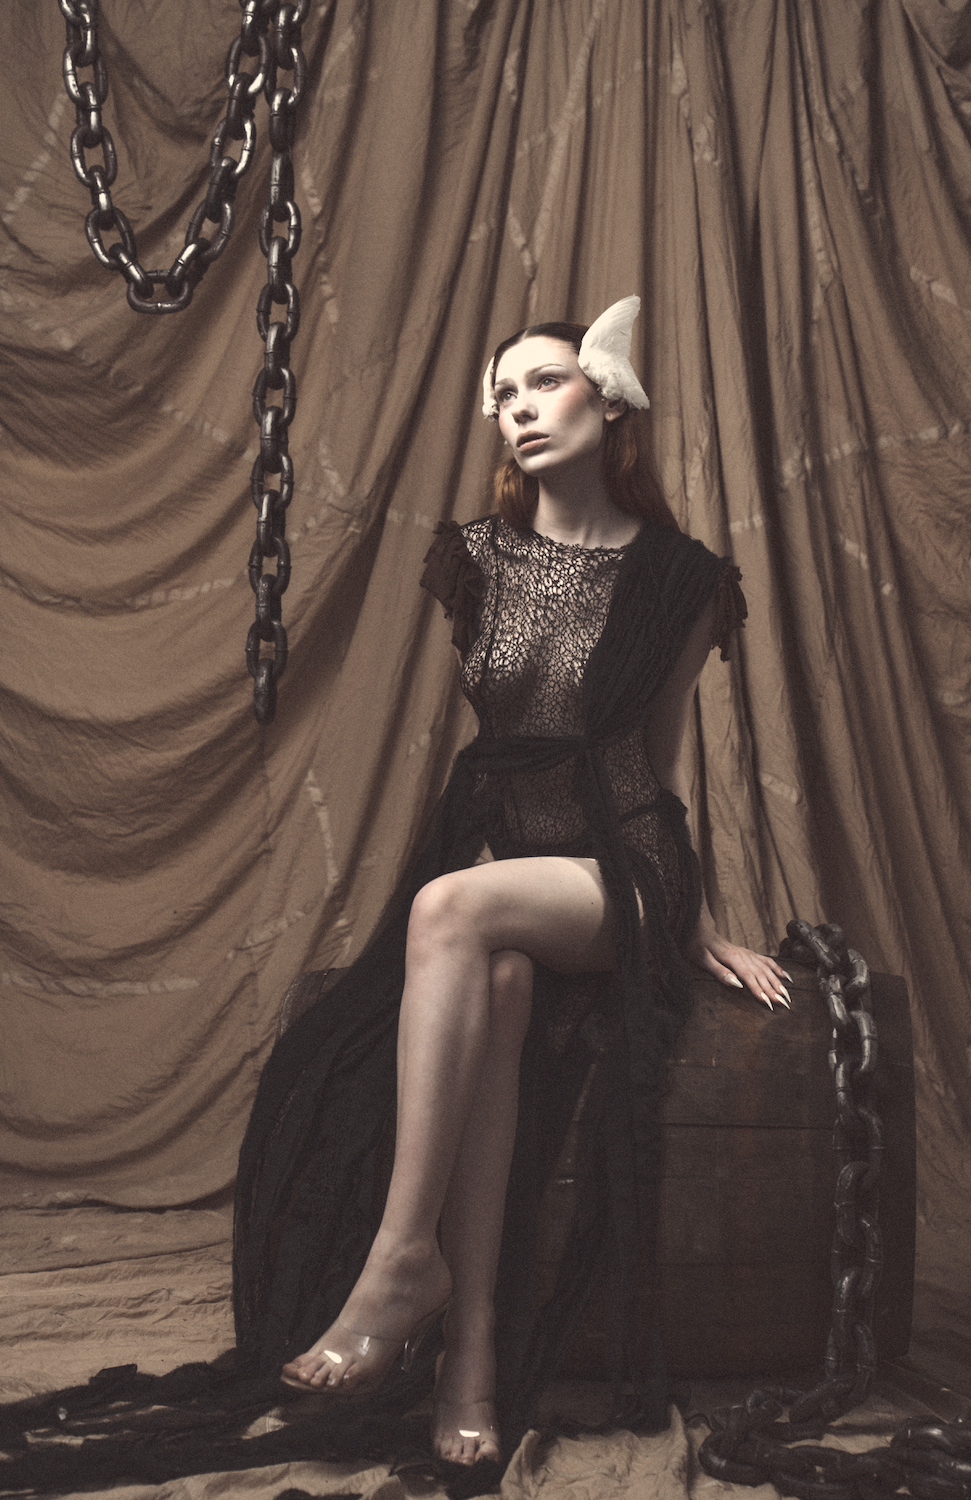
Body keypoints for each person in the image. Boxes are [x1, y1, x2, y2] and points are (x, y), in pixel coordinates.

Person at [248, 297, 793, 1473]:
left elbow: (661, 768)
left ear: (609, 399)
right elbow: (507, 738)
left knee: (450, 908)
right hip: (508, 858)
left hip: (625, 872)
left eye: (544, 382)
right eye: (503, 395)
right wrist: (505, 860)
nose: (519, 410)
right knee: (490, 980)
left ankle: (400, 1261)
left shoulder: (680, 579)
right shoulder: (475, 560)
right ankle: (470, 1361)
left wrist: (696, 921)